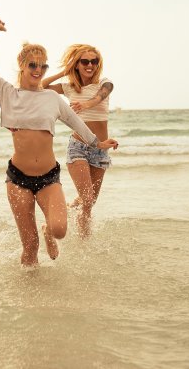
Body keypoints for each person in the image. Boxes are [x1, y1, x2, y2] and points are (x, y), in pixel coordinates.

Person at [0, 18, 118, 267]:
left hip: (49, 178)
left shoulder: (51, 98)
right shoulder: (7, 93)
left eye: (43, 65)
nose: (38, 70)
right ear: (22, 65)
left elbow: (76, 123)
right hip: (18, 179)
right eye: (33, 65)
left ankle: (48, 232)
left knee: (60, 229)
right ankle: (30, 298)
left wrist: (98, 144)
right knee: (30, 247)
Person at [42, 44, 114, 238]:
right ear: (77, 64)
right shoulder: (69, 87)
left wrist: (85, 104)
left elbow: (100, 98)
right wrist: (64, 72)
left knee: (88, 202)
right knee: (88, 199)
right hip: (79, 147)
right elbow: (41, 86)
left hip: (100, 150)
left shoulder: (105, 83)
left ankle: (59, 226)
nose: (90, 65)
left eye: (94, 61)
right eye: (84, 61)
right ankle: (83, 242)